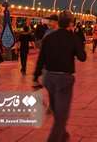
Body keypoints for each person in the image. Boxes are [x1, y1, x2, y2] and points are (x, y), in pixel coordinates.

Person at [34, 11, 86, 142]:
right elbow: (82, 57)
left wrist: (35, 77)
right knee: (62, 115)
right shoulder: (72, 37)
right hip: (64, 79)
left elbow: (41, 58)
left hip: (49, 78)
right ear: (70, 23)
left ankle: (62, 134)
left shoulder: (49, 37)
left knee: (57, 109)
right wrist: (77, 42)